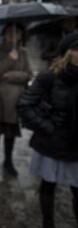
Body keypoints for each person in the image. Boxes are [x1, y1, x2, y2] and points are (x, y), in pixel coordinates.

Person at [17, 32, 78, 228]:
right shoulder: (50, 76)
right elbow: (25, 105)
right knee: (48, 185)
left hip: (75, 145)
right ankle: (48, 223)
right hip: (52, 143)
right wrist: (48, 127)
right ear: (68, 53)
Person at [0, 23, 32, 176]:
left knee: (10, 134)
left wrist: (10, 76)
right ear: (4, 34)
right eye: (10, 32)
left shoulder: (23, 52)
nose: (13, 35)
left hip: (15, 100)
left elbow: (28, 74)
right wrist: (9, 61)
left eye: (17, 33)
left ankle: (8, 161)